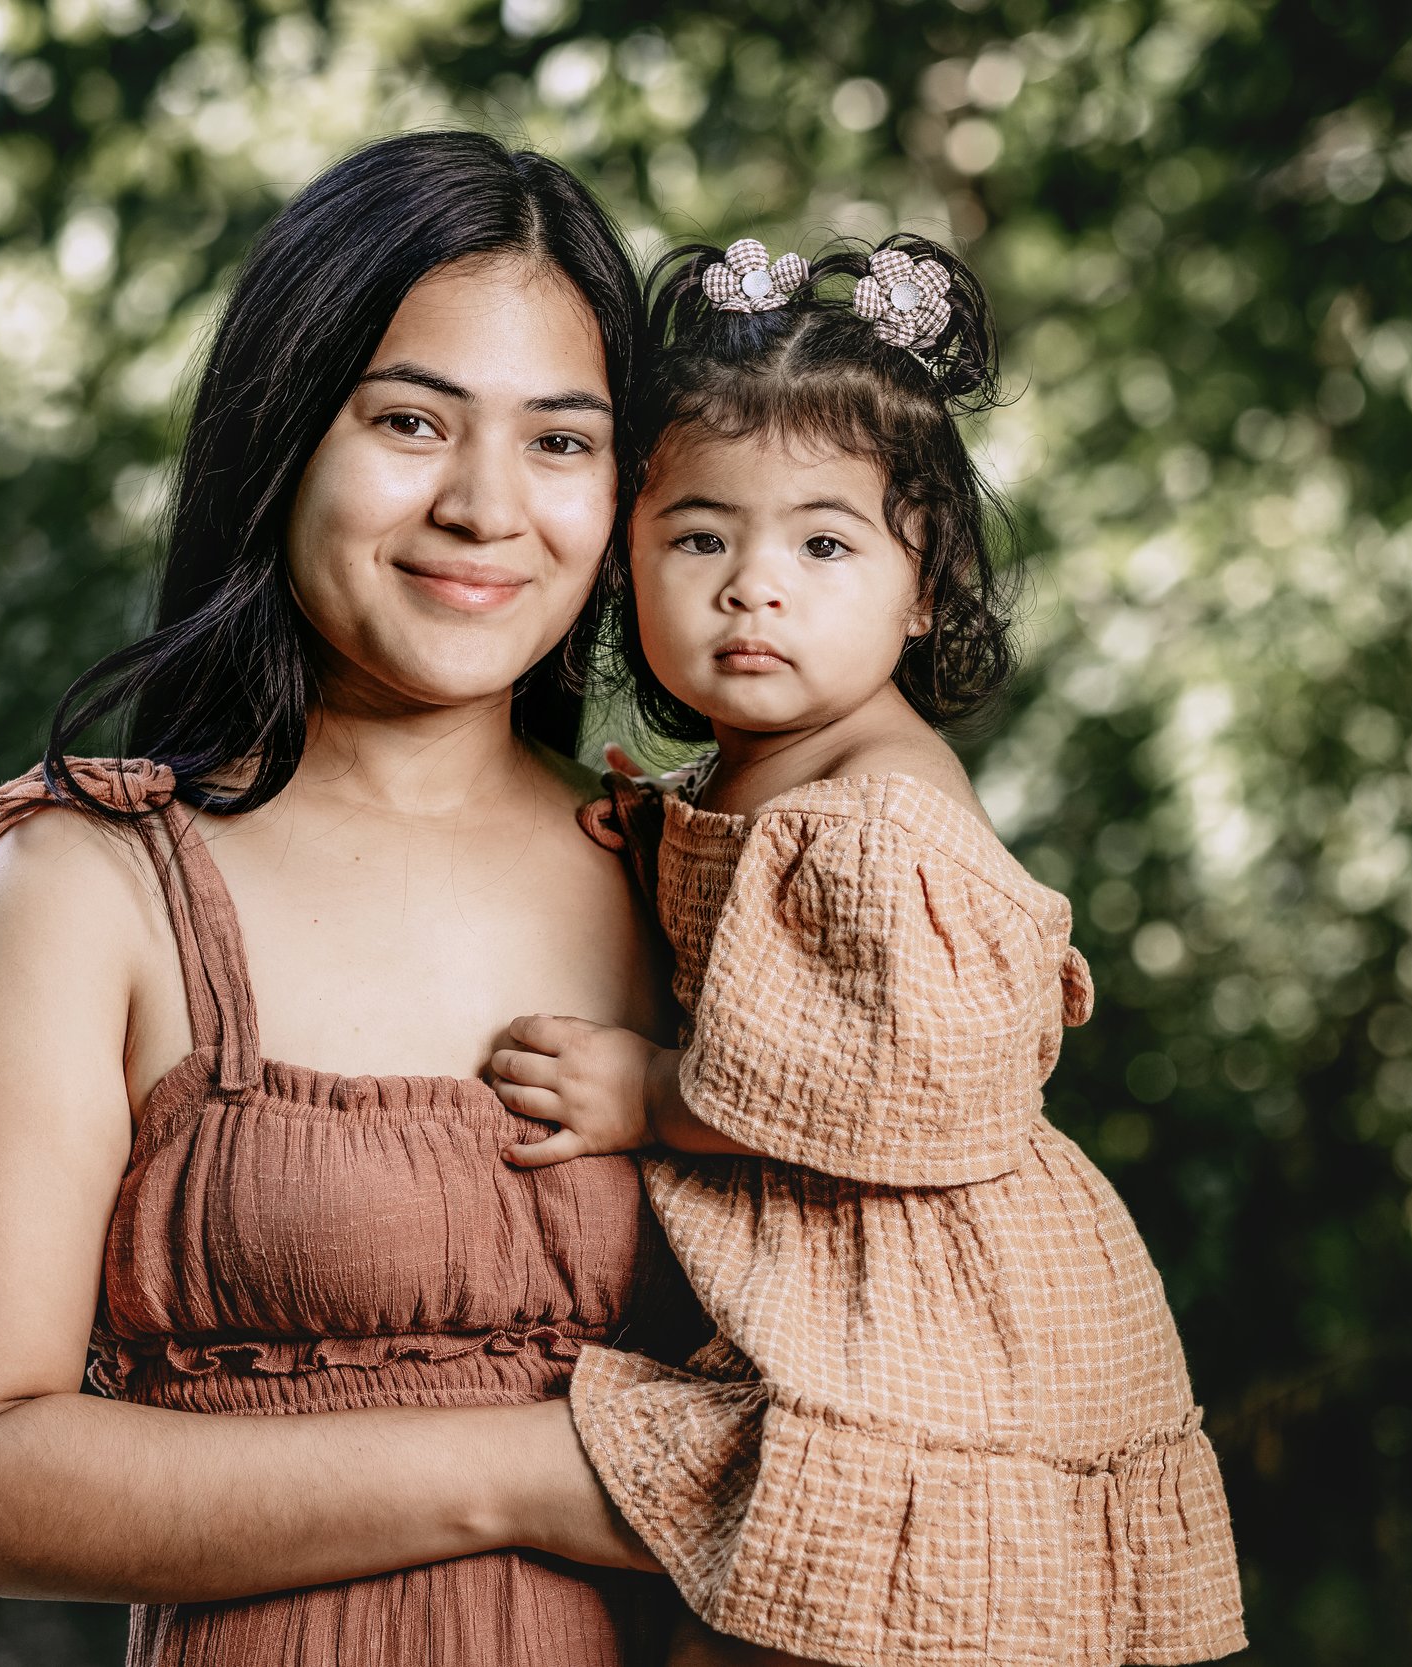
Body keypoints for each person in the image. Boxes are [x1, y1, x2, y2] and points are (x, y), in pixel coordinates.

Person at [0, 131, 702, 1665]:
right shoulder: (85, 892)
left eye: (562, 442)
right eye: (410, 422)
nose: (486, 507)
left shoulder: (696, 883)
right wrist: (526, 1473)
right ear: (283, 434)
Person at [487, 236, 1247, 1665]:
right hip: (865, 1284)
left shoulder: (878, 810)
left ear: (925, 586)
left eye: (823, 544)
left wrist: (649, 1095)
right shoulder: (764, 770)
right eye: (698, 536)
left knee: (848, 1600)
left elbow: (906, 1076)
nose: (751, 586)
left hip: (947, 1323)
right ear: (623, 563)